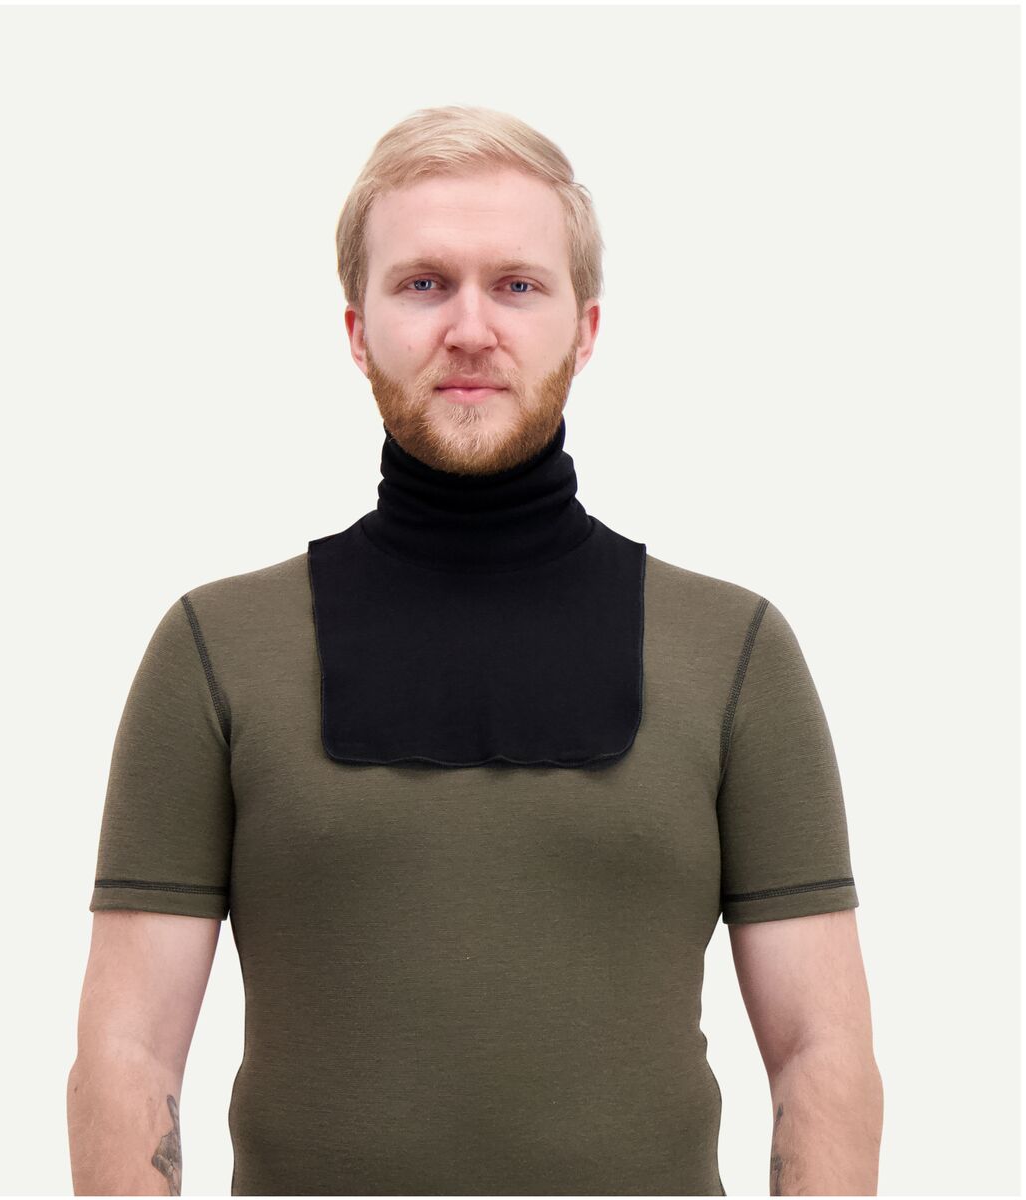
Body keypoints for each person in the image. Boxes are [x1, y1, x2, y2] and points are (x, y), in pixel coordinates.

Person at [67, 105, 883, 1197]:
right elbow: (127, 1052)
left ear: (584, 330)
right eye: (422, 283)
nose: (468, 327)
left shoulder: (734, 653)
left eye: (516, 285)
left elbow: (820, 1051)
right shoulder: (213, 651)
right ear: (356, 330)